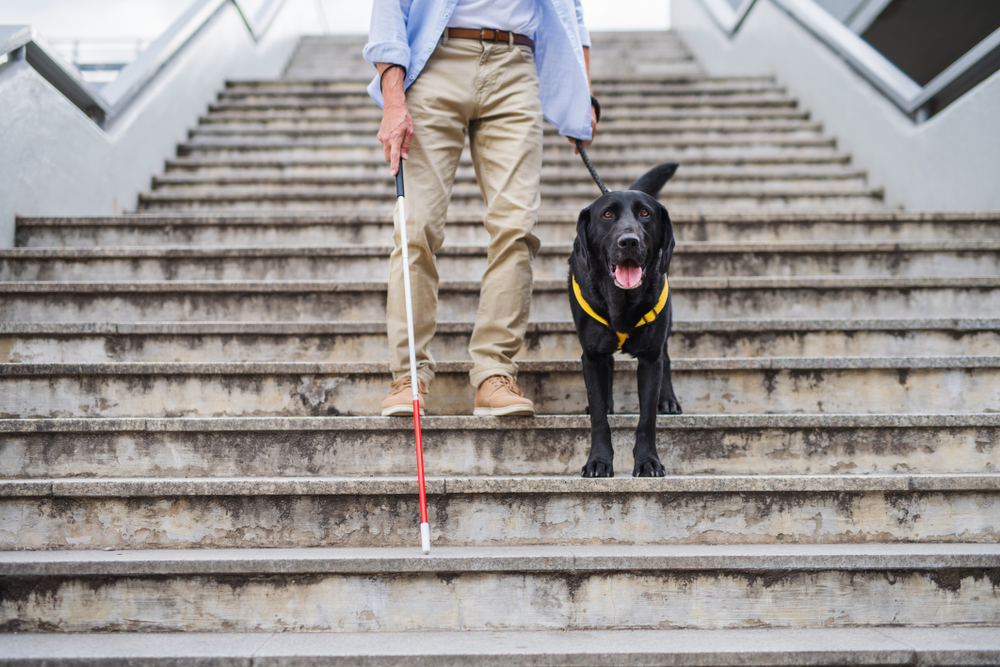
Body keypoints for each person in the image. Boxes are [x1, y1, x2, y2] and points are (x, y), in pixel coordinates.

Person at [365, 0, 599, 417]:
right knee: (415, 225)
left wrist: (583, 92)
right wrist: (393, 97)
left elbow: (572, 10)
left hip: (517, 64)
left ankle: (495, 373)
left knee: (517, 226)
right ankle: (408, 376)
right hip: (436, 59)